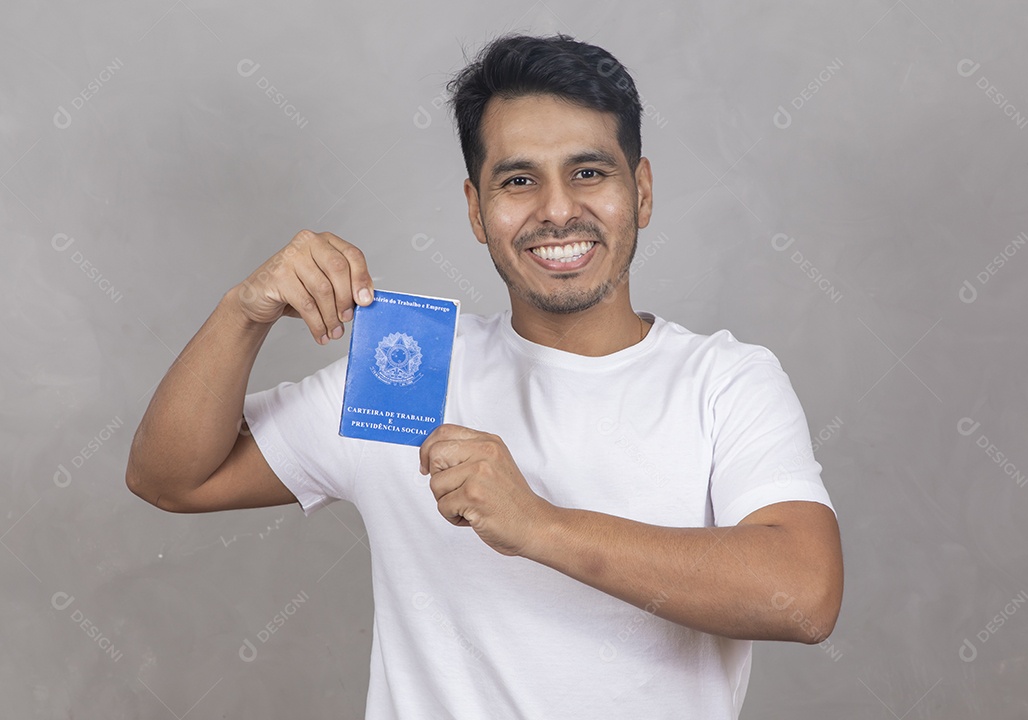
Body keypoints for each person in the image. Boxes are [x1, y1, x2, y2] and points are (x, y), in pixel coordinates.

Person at [127, 33, 843, 719]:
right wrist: (241, 313)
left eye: (589, 172)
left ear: (643, 191)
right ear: (476, 210)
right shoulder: (409, 372)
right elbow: (173, 477)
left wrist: (538, 525)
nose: (558, 210)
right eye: (518, 180)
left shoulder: (723, 381)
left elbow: (803, 595)